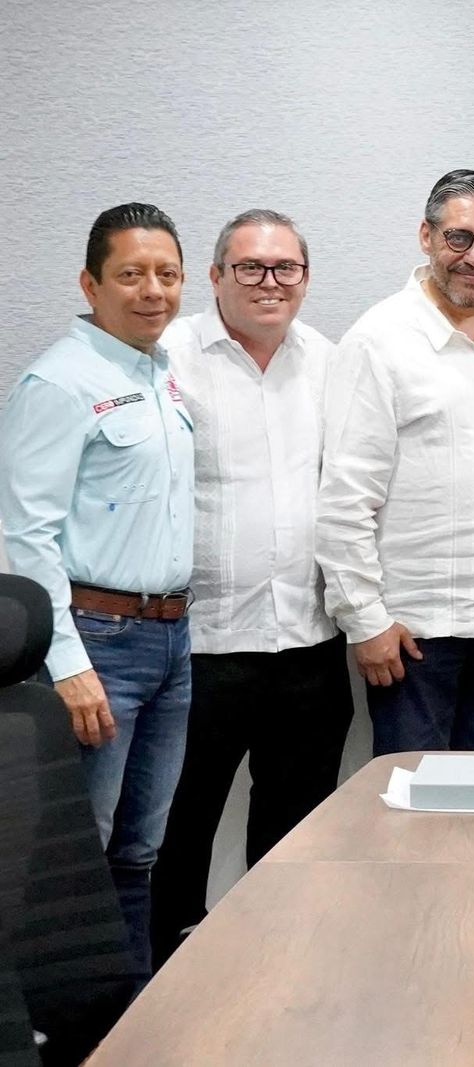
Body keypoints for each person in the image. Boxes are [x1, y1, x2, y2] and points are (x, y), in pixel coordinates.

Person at [150, 210, 354, 966]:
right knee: (179, 824)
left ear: (305, 277)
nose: (270, 282)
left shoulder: (329, 362)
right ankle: (168, 974)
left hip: (307, 640)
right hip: (200, 644)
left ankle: (279, 967)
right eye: (250, 267)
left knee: (295, 832)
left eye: (285, 268)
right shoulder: (166, 358)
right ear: (215, 277)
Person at [0, 203, 194, 979]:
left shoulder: (160, 372)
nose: (153, 291)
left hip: (171, 640)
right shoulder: (59, 381)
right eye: (131, 274)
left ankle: (128, 1012)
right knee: (75, 855)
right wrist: (68, 663)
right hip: (98, 643)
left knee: (138, 850)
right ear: (90, 283)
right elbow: (25, 536)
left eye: (167, 274)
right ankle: (58, 1022)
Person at [318, 170, 474, 755]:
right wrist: (364, 619)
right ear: (426, 236)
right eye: (458, 237)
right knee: (412, 801)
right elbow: (345, 497)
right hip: (415, 632)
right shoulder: (377, 340)